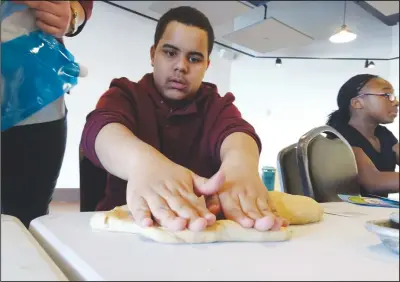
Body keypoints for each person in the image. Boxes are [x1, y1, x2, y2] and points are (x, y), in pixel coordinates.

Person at [80, 6, 284, 232]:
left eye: (194, 58)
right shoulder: (126, 94)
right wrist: (142, 162)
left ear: (206, 66)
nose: (181, 66)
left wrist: (240, 164)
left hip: (200, 232)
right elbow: (101, 129)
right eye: (170, 53)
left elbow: (237, 133)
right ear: (152, 54)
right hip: (127, 229)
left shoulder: (216, 105)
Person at [1, 1, 94, 227]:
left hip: (34, 101)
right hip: (36, 95)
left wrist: (72, 13)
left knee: (27, 223)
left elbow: (83, 4)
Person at [327, 74, 399, 197]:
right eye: (387, 95)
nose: (396, 102)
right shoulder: (341, 137)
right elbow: (374, 182)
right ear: (357, 103)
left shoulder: (384, 135)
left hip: (376, 212)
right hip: (348, 213)